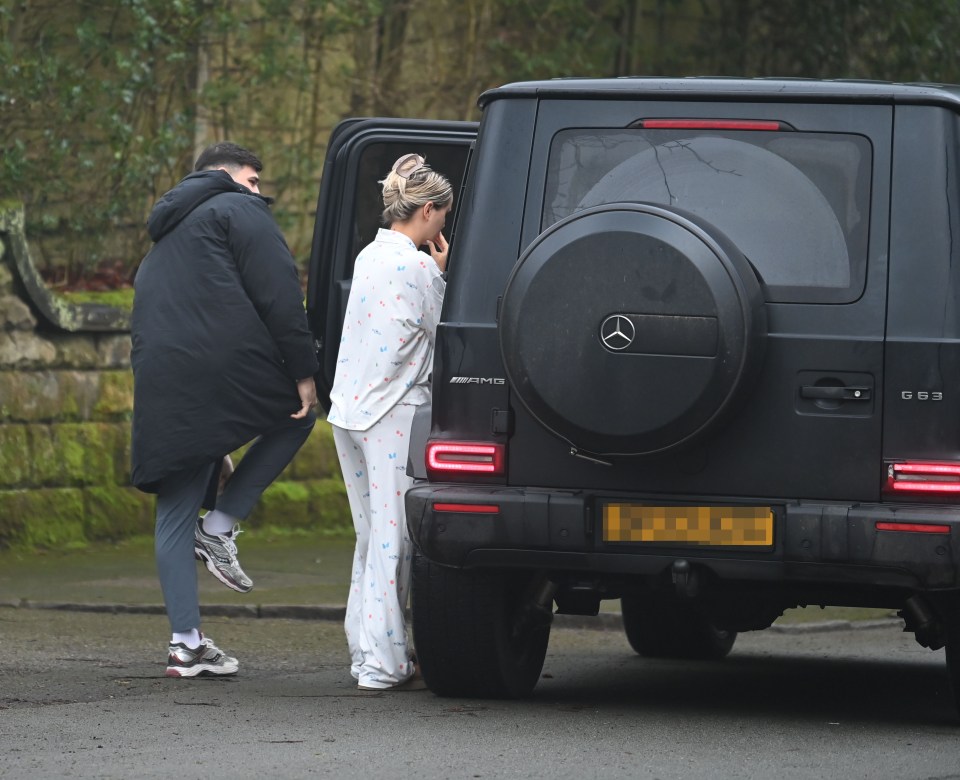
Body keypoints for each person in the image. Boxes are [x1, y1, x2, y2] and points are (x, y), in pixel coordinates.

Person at [130, 142, 319, 678]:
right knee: (299, 415)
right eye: (255, 180)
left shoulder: (167, 231)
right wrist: (304, 370)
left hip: (163, 377)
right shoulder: (237, 208)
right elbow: (279, 292)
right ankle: (220, 525)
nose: (261, 193)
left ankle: (185, 644)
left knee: (172, 509)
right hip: (222, 367)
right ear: (228, 176)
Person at [328, 153, 453, 691]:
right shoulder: (418, 266)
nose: (444, 226)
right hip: (392, 413)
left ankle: (368, 651)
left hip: (349, 409)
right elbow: (442, 327)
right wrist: (442, 272)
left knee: (370, 536)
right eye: (443, 216)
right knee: (393, 541)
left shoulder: (367, 256)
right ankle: (383, 663)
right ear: (427, 210)